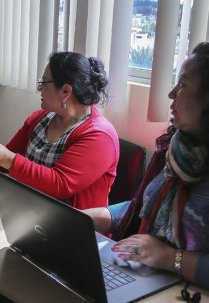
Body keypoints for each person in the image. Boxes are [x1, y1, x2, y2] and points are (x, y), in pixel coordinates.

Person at [82, 42, 209, 290]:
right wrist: (85, 218)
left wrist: (170, 258)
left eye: (183, 85)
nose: (171, 94)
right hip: (148, 280)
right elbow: (141, 208)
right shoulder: (174, 149)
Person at [0, 51, 119, 210]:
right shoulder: (41, 118)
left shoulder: (99, 136)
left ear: (65, 91)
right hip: (28, 216)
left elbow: (59, 183)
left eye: (44, 82)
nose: (39, 88)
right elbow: (4, 160)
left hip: (74, 233)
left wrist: (9, 160)